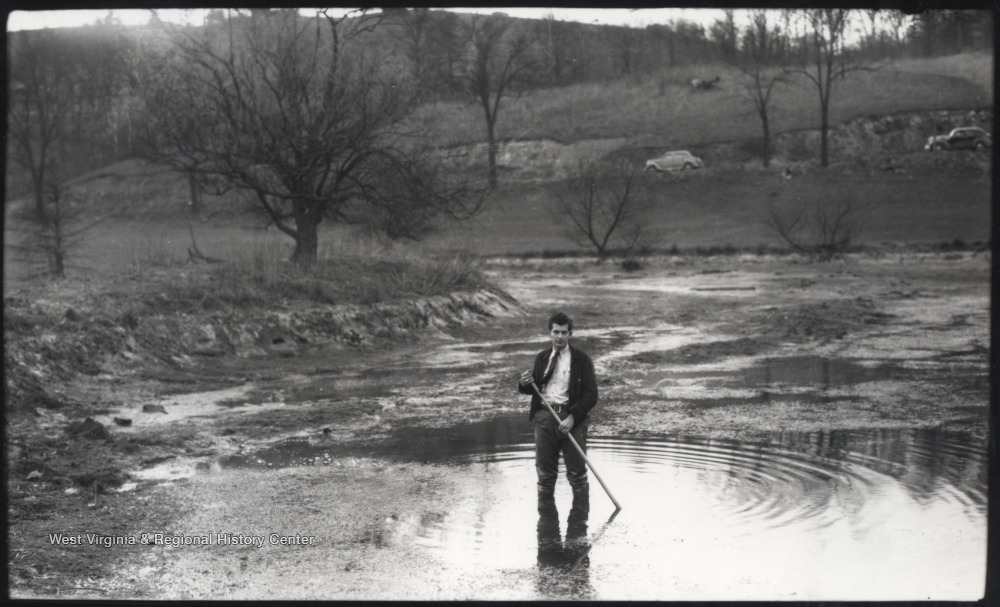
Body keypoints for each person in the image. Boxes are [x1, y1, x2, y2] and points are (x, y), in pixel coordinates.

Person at [518, 311, 598, 525]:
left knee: (578, 476)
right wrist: (524, 383)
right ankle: (547, 534)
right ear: (549, 333)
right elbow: (533, 388)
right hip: (544, 418)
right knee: (545, 476)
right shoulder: (542, 357)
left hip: (573, 421)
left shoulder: (582, 360)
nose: (560, 337)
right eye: (556, 332)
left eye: (564, 332)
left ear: (570, 334)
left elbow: (591, 395)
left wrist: (572, 418)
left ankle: (578, 532)